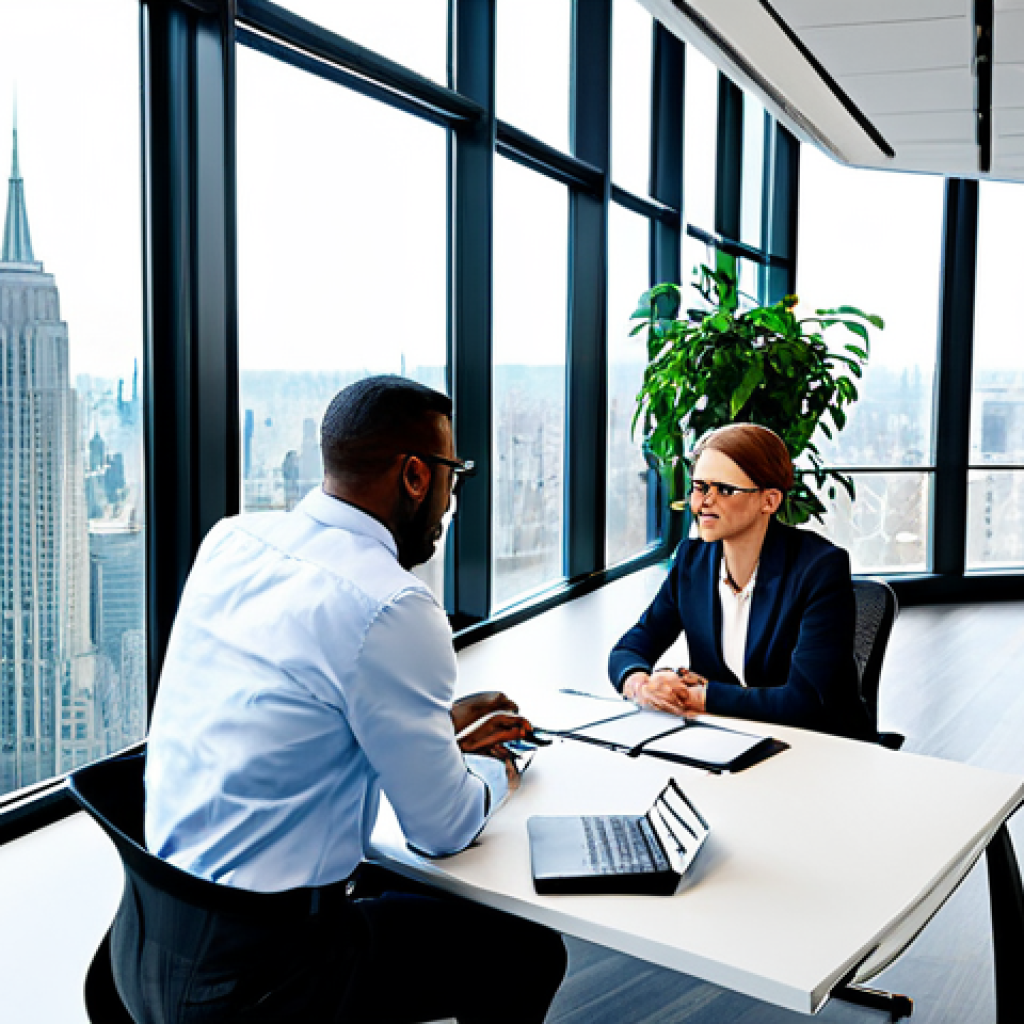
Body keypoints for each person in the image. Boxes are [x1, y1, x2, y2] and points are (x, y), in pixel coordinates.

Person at [126, 375, 567, 1023]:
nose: (450, 502)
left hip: (152, 949)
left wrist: (435, 731)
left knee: (400, 893)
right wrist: (495, 771)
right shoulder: (391, 602)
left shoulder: (232, 540)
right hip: (267, 983)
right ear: (417, 476)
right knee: (526, 951)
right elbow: (441, 831)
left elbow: (294, 705)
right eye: (453, 476)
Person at [608, 423, 874, 741]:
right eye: (699, 487)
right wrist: (642, 685)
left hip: (819, 748)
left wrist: (699, 697)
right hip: (729, 738)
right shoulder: (692, 560)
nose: (704, 501)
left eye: (724, 489)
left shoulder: (819, 568)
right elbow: (631, 647)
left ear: (770, 501)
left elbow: (806, 703)